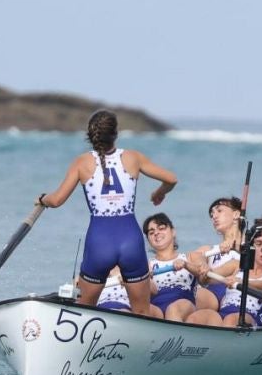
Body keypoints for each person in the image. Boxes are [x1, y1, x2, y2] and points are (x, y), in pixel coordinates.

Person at [38, 109, 176, 314]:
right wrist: (159, 193)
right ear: (116, 133)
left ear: (91, 135)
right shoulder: (133, 158)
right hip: (130, 240)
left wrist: (42, 199)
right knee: (142, 313)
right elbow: (171, 179)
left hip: (99, 241)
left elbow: (57, 200)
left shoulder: (81, 162)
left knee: (83, 312)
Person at [186, 221, 262, 328]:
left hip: (250, 319)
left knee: (231, 320)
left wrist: (242, 282)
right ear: (250, 246)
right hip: (223, 315)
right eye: (259, 243)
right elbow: (205, 280)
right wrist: (200, 267)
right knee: (196, 318)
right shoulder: (236, 265)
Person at [187, 196, 243, 311]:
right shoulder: (210, 250)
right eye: (212, 214)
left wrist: (236, 246)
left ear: (236, 214)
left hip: (236, 296)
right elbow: (193, 255)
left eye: (219, 210)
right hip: (210, 298)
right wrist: (203, 264)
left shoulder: (254, 245)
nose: (214, 216)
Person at [143, 213, 197, 322]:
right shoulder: (147, 265)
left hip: (183, 302)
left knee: (173, 310)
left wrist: (186, 265)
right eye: (151, 232)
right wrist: (144, 278)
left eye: (161, 228)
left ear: (173, 232)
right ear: (149, 240)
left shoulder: (189, 257)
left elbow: (203, 274)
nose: (156, 233)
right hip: (156, 306)